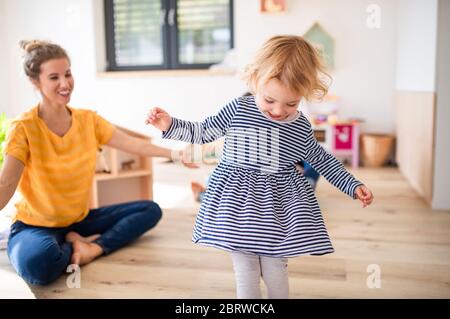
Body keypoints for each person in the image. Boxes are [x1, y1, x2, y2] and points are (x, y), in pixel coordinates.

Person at [146, 35, 374, 299]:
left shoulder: (299, 126)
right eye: (269, 100)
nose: (278, 111)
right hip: (237, 204)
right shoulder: (238, 109)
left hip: (276, 207)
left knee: (276, 267)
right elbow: (204, 130)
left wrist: (352, 185)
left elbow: (322, 160)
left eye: (291, 103)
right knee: (245, 269)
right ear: (255, 80)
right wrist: (169, 125)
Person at [0, 40, 194, 285]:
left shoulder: (88, 120)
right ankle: (70, 246)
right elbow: (5, 184)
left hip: (79, 220)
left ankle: (93, 248)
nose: (65, 83)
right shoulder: (23, 128)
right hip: (35, 226)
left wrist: (176, 154)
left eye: (68, 74)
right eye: (54, 77)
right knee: (38, 266)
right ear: (35, 81)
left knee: (150, 210)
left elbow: (134, 144)